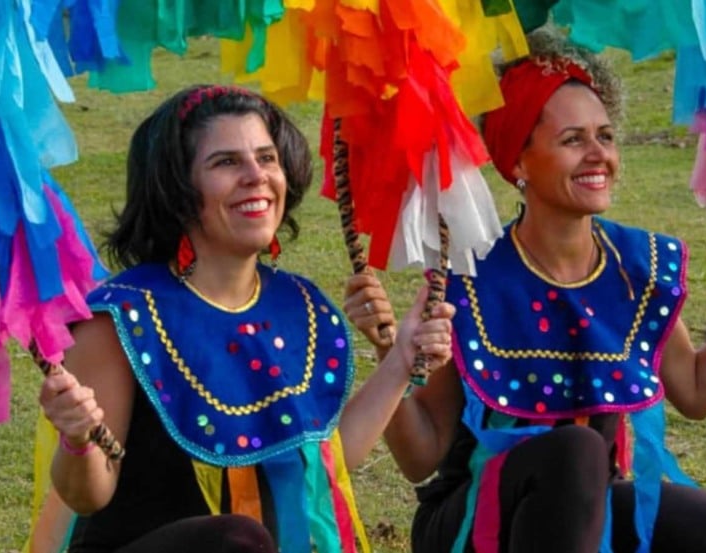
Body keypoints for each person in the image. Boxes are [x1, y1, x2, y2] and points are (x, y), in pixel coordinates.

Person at [377, 29, 706, 553]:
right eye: (572, 139)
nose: (597, 154)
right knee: (576, 450)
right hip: (477, 523)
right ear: (517, 162)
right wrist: (391, 358)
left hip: (594, 510)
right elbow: (421, 457)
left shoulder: (634, 266)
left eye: (604, 135)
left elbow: (694, 390)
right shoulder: (470, 278)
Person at [37, 84, 455, 553]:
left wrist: (399, 360)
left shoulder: (299, 304)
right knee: (237, 540)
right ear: (177, 186)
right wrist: (77, 439)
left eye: (266, 158)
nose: (256, 176)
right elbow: (89, 494)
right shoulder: (118, 320)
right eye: (226, 162)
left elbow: (319, 467)